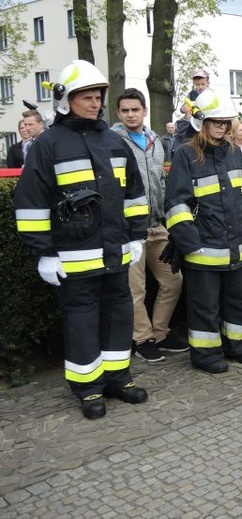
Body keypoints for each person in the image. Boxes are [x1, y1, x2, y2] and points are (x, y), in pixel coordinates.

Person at [14, 59, 149, 419]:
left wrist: (136, 236)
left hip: (115, 253)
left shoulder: (114, 142)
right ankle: (88, 388)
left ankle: (118, 377)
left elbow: (134, 195)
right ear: (66, 99)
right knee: (82, 322)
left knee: (119, 315)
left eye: (98, 96)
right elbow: (30, 203)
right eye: (86, 96)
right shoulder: (48, 144)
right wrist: (44, 253)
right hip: (73, 257)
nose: (94, 103)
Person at [164, 88, 242, 373]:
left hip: (236, 246)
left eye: (226, 122)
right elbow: (175, 203)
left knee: (239, 299)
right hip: (204, 250)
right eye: (216, 122)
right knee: (205, 306)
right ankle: (206, 355)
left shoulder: (235, 154)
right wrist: (189, 242)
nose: (222, 127)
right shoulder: (186, 155)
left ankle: (237, 346)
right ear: (202, 121)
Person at [112, 87, 185, 363]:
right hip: (128, 231)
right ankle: (142, 339)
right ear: (118, 113)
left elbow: (162, 181)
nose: (131, 114)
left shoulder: (155, 139)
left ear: (144, 111)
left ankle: (160, 333)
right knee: (135, 289)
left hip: (157, 225)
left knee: (173, 280)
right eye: (125, 110)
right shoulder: (112, 141)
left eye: (136, 109)